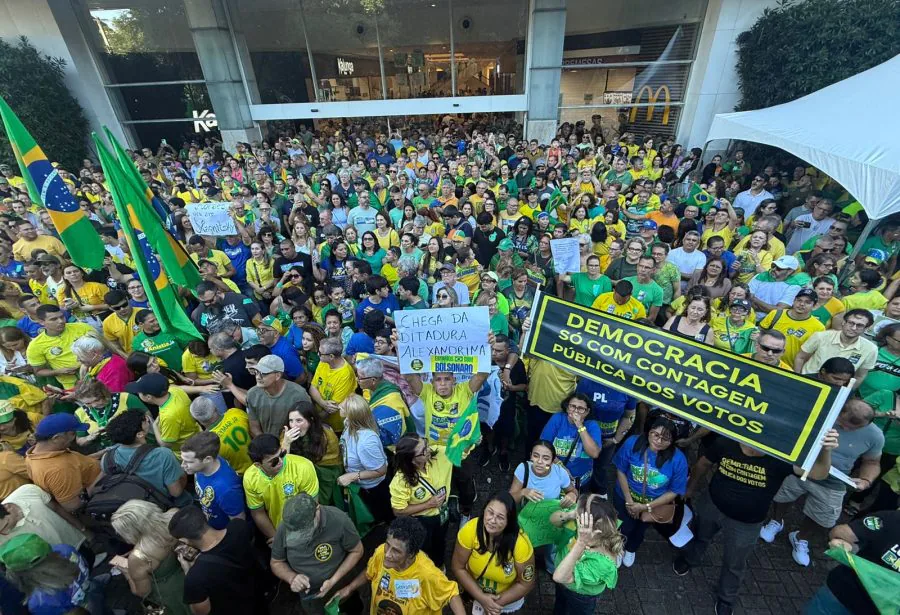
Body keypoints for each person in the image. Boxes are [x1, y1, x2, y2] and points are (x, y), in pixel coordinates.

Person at [673, 429, 840, 615]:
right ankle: (690, 559)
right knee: (700, 536)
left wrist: (826, 450)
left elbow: (818, 473)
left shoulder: (781, 457)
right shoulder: (726, 442)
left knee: (735, 561)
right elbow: (703, 464)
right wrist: (690, 488)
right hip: (712, 506)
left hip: (747, 522)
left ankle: (726, 597)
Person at [760, 399, 884, 567]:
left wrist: (866, 480)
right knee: (782, 496)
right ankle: (776, 521)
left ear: (868, 424)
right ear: (839, 412)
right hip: (801, 469)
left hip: (835, 481)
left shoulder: (875, 436)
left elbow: (872, 462)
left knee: (823, 517)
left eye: (854, 428)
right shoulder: (822, 415)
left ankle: (801, 537)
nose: (846, 429)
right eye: (843, 424)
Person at [403, 361, 490, 521]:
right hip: (435, 452)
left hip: (461, 451)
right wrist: (400, 350)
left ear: (454, 380)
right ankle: (445, 507)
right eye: (438, 379)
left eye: (447, 379)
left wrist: (486, 350)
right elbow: (409, 377)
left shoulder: (464, 390)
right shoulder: (427, 392)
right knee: (440, 482)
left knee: (464, 483)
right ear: (432, 382)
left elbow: (482, 375)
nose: (442, 384)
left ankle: (466, 510)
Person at [333, 516, 465, 615]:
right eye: (388, 544)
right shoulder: (381, 552)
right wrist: (349, 588)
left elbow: (452, 594)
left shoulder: (427, 574)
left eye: (396, 551)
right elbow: (370, 571)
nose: (387, 554)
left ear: (410, 554)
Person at [269, 494, 365, 614]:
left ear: (317, 509)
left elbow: (357, 550)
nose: (303, 536)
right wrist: (292, 578)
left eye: (306, 531)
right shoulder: (286, 527)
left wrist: (333, 581)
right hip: (310, 597)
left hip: (340, 588)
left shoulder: (338, 520)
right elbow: (276, 562)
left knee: (350, 609)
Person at [614, 415, 688, 567]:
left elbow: (674, 491)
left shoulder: (678, 460)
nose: (659, 441)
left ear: (673, 440)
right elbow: (620, 470)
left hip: (654, 505)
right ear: (649, 431)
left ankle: (631, 548)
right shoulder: (632, 443)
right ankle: (617, 548)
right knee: (623, 526)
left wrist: (646, 507)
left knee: (641, 528)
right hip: (625, 497)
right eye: (655, 434)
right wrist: (629, 501)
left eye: (666, 438)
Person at [168, 505, 269, 615]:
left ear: (184, 540)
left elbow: (201, 612)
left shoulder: (195, 577)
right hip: (260, 600)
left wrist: (188, 571)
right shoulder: (239, 526)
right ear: (206, 516)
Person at [451, 491, 536, 614]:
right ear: (484, 510)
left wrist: (493, 604)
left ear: (509, 521)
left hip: (506, 602)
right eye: (490, 512)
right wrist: (481, 598)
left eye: (500, 517)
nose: (492, 520)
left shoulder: (521, 545)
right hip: (474, 594)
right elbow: (458, 567)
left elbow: (525, 584)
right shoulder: (470, 530)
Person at [805, 509, 900, 615]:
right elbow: (840, 534)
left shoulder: (893, 518)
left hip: (843, 593)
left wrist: (846, 543)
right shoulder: (893, 519)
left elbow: (839, 533)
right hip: (843, 595)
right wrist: (847, 546)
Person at [110, 500, 191, 615]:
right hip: (195, 569)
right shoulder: (174, 514)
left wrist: (127, 573)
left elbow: (142, 592)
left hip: (174, 594)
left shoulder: (138, 557)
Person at [550, 494, 624, 615]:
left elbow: (560, 577)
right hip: (563, 584)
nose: (576, 515)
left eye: (578, 514)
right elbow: (553, 520)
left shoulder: (603, 563)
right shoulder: (588, 525)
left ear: (591, 525)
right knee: (560, 606)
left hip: (581, 596)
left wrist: (581, 543)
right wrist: (569, 515)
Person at [104, 410, 192, 507]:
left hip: (127, 505)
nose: (147, 419)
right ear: (140, 434)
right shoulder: (163, 455)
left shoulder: (108, 458)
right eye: (144, 420)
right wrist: (183, 475)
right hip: (158, 506)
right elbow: (176, 492)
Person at [390, 433, 454, 567]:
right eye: (423, 451)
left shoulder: (437, 454)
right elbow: (398, 511)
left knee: (440, 541)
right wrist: (428, 504)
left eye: (425, 444)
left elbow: (460, 450)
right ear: (412, 460)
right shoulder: (400, 481)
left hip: (442, 513)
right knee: (424, 547)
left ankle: (439, 565)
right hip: (422, 521)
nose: (429, 450)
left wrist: (472, 441)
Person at [0, 533, 102, 615]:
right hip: (90, 588)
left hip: (84, 608)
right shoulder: (65, 549)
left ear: (19, 572)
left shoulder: (39, 602)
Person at [243, 433, 319, 542]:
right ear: (258, 465)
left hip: (305, 530)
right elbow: (258, 513)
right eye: (273, 461)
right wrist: (277, 539)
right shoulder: (250, 478)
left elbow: (313, 505)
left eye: (282, 454)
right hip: (277, 531)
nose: (280, 461)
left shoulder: (303, 467)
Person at [23, 414, 100, 513]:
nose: (74, 437)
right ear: (56, 438)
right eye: (72, 433)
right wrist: (104, 471)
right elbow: (73, 506)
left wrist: (103, 453)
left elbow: (76, 463)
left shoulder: (33, 455)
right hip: (99, 492)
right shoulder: (58, 469)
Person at [337, 394, 392, 524]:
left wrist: (351, 476)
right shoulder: (348, 424)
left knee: (378, 520)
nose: (339, 406)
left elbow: (380, 470)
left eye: (343, 407)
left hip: (374, 491)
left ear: (352, 415)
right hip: (361, 487)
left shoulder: (366, 442)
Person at [126, 372, 200, 460]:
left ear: (148, 397)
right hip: (195, 433)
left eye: (139, 392)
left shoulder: (169, 416)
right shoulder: (175, 391)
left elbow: (165, 445)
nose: (138, 394)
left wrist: (155, 426)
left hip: (184, 451)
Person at [179, 431, 246, 529]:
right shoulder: (203, 465)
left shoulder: (226, 490)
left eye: (189, 462)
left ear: (208, 459)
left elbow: (239, 525)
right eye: (183, 460)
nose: (182, 465)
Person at [794, 308, 877, 385]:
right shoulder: (821, 336)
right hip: (808, 380)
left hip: (837, 387)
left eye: (859, 325)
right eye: (851, 323)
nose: (854, 328)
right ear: (843, 322)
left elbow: (860, 376)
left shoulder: (871, 349)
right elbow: (800, 357)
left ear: (866, 328)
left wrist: (845, 392)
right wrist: (796, 379)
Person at [540, 392, 602, 492]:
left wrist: (580, 426)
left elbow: (594, 453)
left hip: (581, 480)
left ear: (587, 412)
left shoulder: (592, 425)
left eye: (581, 408)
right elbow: (543, 447)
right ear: (567, 407)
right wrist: (560, 466)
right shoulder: (558, 419)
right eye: (572, 406)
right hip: (556, 475)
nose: (576, 411)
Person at [282, 404, 343, 508]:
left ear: (311, 420)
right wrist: (286, 443)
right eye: (291, 421)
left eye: (299, 420)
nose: (293, 426)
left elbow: (333, 464)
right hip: (295, 478)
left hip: (323, 478)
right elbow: (281, 465)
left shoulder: (326, 436)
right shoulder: (286, 435)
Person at [26, 304, 95, 390]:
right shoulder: (35, 346)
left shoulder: (82, 327)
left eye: (62, 317)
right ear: (41, 322)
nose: (61, 321)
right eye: (54, 319)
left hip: (96, 372)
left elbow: (104, 347)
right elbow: (39, 371)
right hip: (72, 385)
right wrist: (58, 371)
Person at [246, 354, 314, 437]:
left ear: (278, 375)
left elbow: (309, 425)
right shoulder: (252, 394)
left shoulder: (299, 395)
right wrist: (266, 443)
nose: (258, 377)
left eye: (263, 373)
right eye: (256, 372)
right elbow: (254, 428)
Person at [759, 287, 825, 364]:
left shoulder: (818, 327)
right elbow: (759, 334)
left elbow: (812, 355)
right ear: (793, 301)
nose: (802, 304)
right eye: (799, 300)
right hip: (763, 362)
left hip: (789, 368)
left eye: (807, 302)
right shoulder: (776, 314)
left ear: (814, 306)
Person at [188, 396, 253, 475]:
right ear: (215, 407)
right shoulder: (236, 413)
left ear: (198, 420)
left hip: (241, 476)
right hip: (260, 463)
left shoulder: (208, 444)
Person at [310, 336, 358, 434]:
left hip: (336, 426)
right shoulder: (323, 362)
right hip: (320, 415)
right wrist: (323, 403)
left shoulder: (345, 374)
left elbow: (332, 409)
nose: (318, 354)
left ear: (331, 356)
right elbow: (312, 387)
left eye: (320, 353)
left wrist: (315, 422)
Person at [255, 314, 304, 381]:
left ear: (275, 333)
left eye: (263, 330)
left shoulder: (286, 353)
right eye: (258, 329)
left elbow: (301, 377)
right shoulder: (267, 343)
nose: (258, 333)